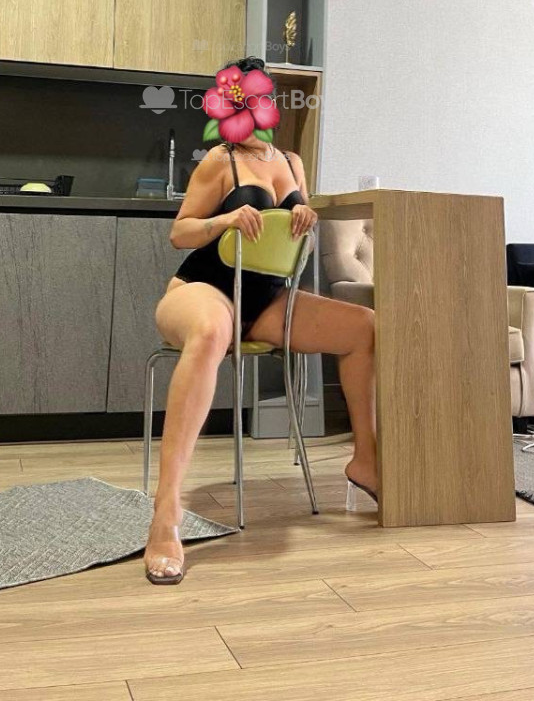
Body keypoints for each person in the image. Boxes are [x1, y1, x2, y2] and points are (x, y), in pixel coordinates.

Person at [144, 57, 377, 584]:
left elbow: (292, 245)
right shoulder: (219, 161)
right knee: (212, 331)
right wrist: (227, 216)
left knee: (363, 326)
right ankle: (166, 511)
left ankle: (366, 459)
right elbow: (180, 233)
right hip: (203, 290)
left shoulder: (292, 163)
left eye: (259, 97)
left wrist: (306, 218)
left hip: (266, 300)